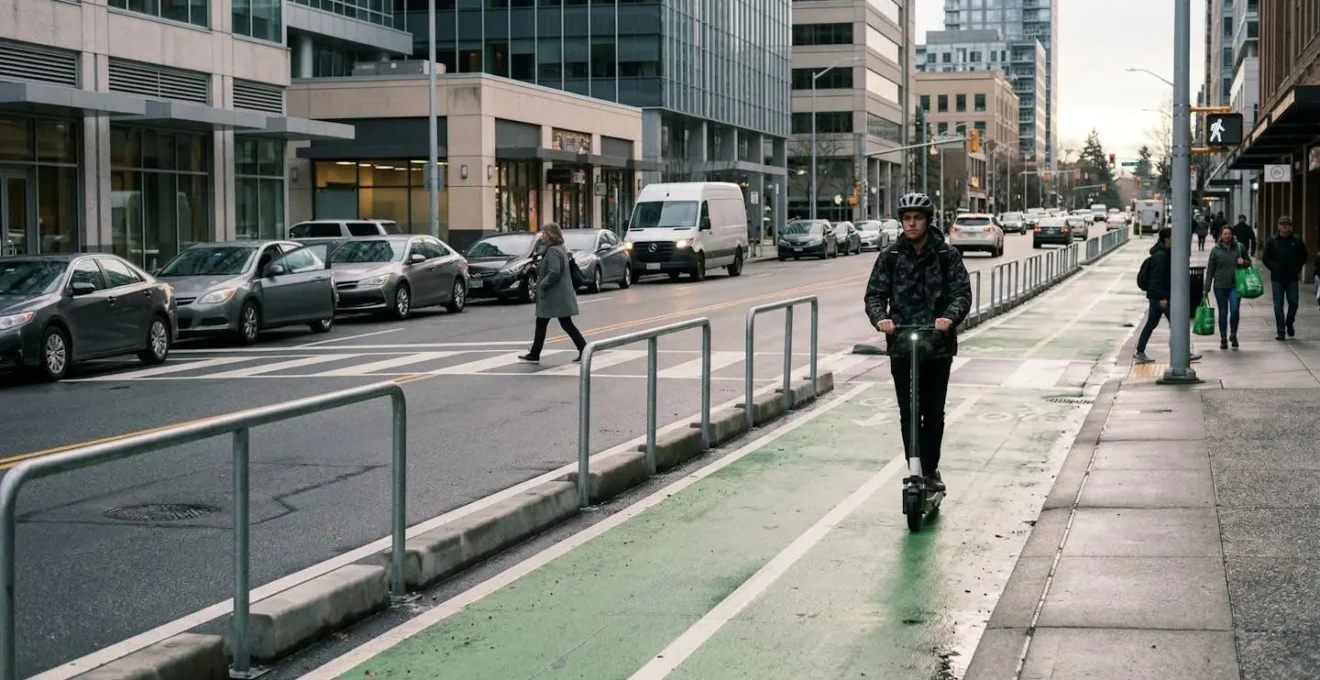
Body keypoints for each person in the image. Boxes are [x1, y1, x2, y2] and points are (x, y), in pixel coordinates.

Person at [863, 192, 973, 494]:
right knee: (908, 411)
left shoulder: (946, 255)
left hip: (937, 346)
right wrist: (881, 319)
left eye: (917, 218)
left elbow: (962, 293)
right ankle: (914, 467)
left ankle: (930, 469)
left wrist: (949, 318)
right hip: (902, 344)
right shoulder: (891, 256)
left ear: (928, 221)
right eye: (907, 219)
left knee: (933, 411)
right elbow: (874, 295)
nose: (911, 224)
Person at [519, 222, 588, 363]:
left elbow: (554, 272)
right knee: (547, 323)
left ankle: (584, 349)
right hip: (557, 295)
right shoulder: (559, 248)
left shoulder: (553, 251)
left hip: (554, 295)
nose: (542, 236)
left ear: (550, 235)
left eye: (544, 233)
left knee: (561, 323)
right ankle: (535, 353)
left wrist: (542, 285)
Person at [1134, 228, 1203, 364]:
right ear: (1166, 238)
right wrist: (1162, 298)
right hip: (1160, 297)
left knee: (1151, 324)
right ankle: (1182, 353)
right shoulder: (1161, 256)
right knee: (1177, 322)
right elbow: (1157, 279)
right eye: (1173, 236)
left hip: (1156, 296)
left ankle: (1140, 351)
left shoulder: (1165, 253)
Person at [1262, 215, 1309, 340]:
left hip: (1292, 278)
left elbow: (1304, 256)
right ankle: (1281, 331)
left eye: (1287, 225)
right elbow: (1265, 258)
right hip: (1277, 278)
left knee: (1294, 302)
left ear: (1291, 227)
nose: (1285, 227)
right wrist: (1274, 267)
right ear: (1278, 227)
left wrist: (1297, 268)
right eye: (1283, 225)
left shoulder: (1297, 240)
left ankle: (1289, 322)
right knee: (1278, 304)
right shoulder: (1272, 241)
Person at [1203, 225, 1249, 349]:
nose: (1227, 236)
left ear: (1232, 235)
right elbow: (1210, 270)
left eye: (1229, 233)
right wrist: (1206, 288)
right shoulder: (1215, 250)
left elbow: (1248, 262)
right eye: (1225, 234)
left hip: (1235, 285)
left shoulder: (1239, 247)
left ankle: (1233, 334)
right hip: (1220, 286)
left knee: (1234, 311)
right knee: (1223, 312)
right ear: (1221, 235)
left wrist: (1243, 262)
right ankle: (1223, 338)